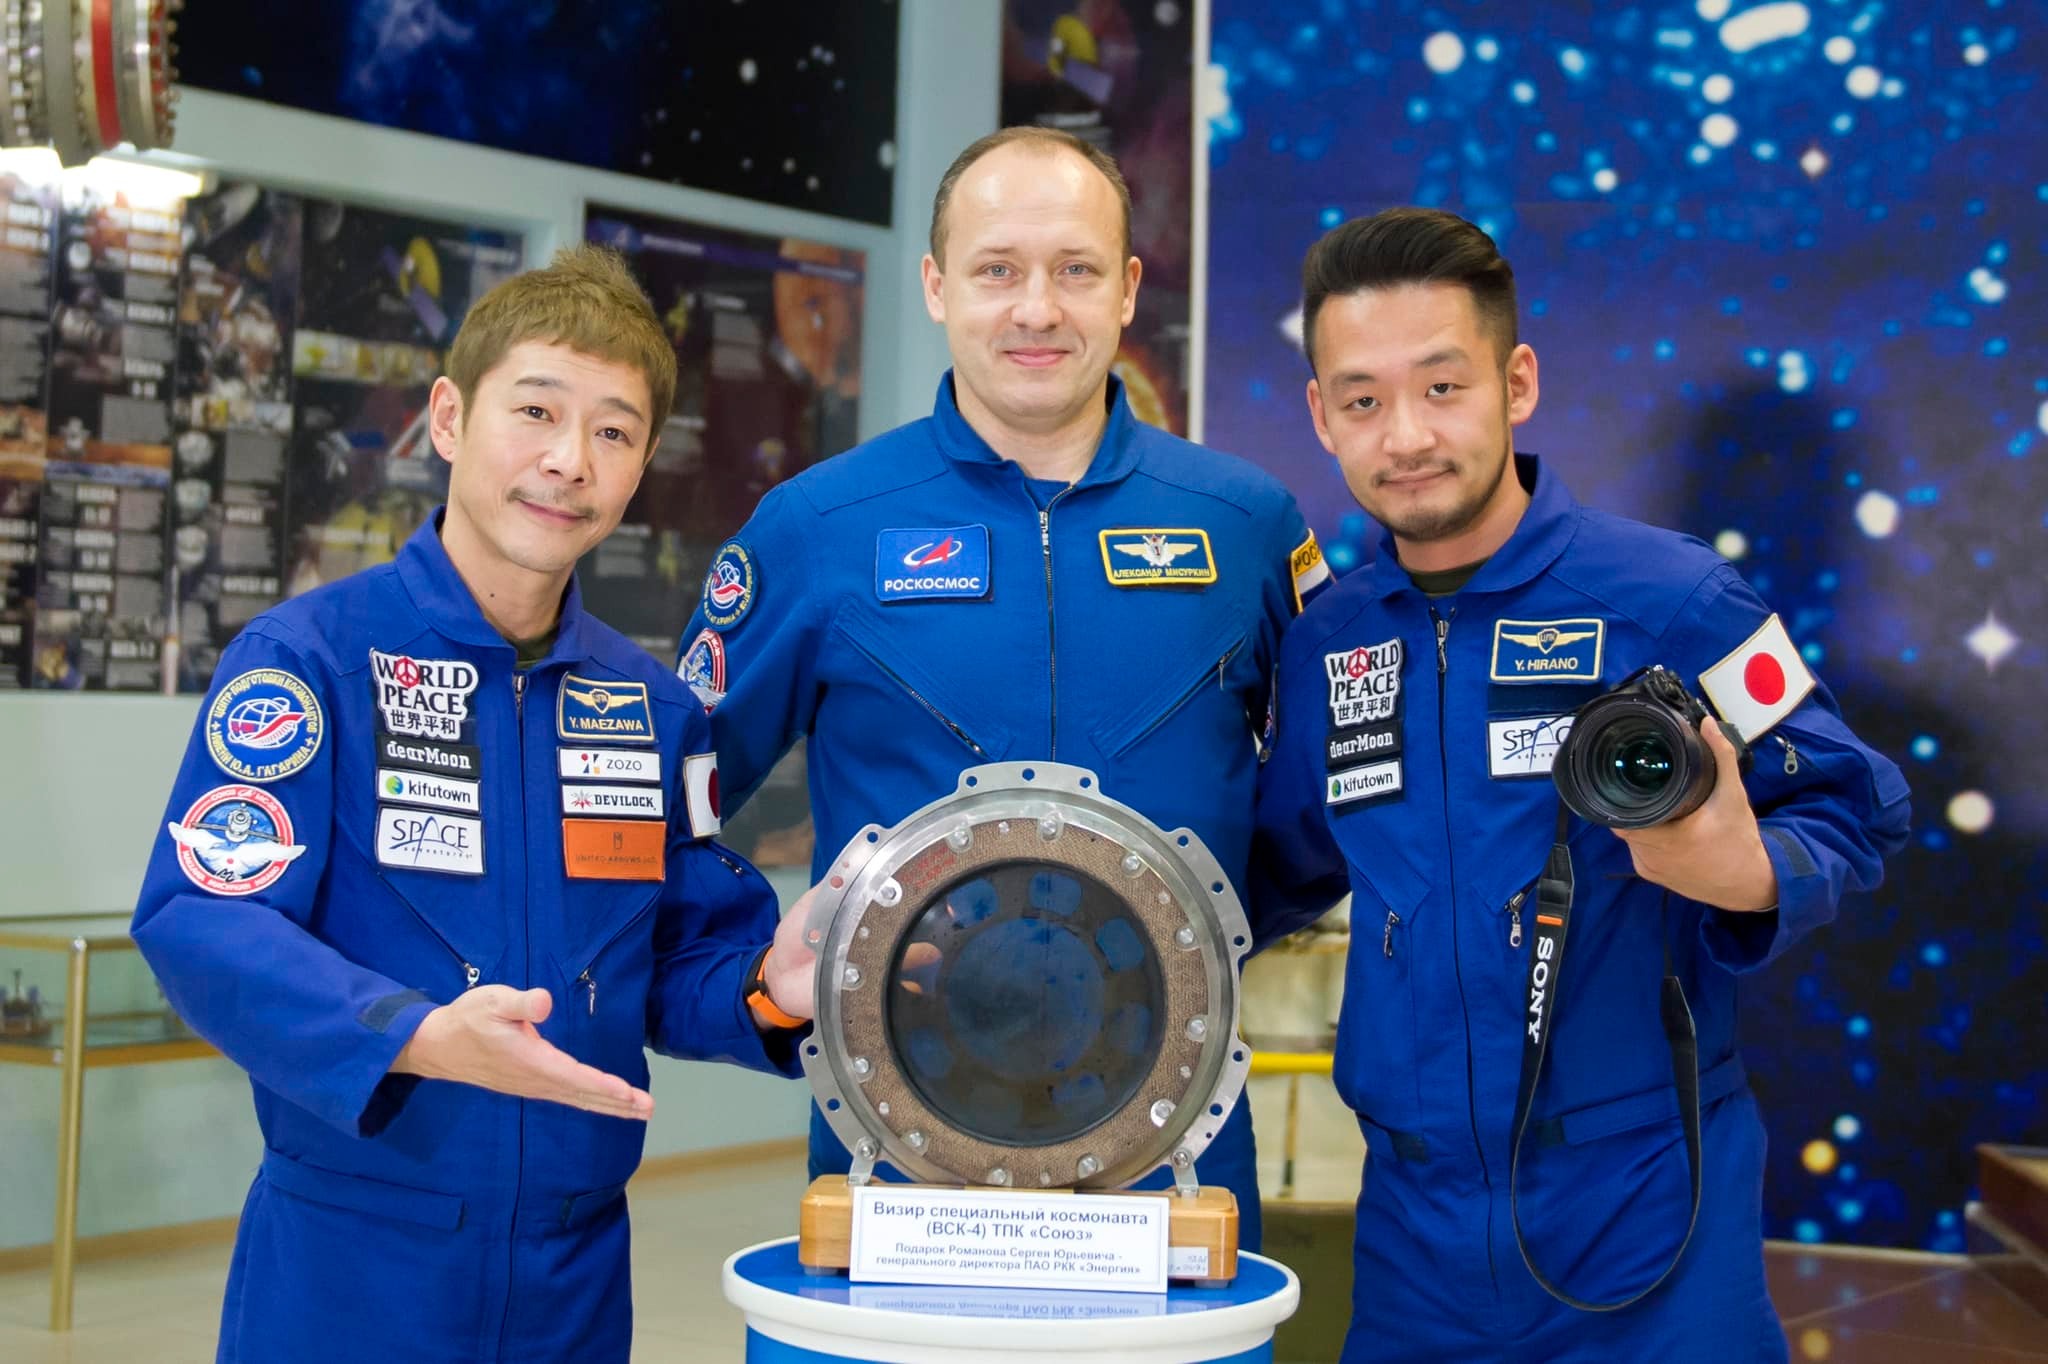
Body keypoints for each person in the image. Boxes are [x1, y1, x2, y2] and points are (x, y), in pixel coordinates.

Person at [132, 245, 819, 1364]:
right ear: (448, 417)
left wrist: (771, 988)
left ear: (642, 462)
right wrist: (412, 1033)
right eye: (536, 410)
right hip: (352, 1261)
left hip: (574, 1274)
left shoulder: (649, 707)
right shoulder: (307, 664)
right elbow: (204, 920)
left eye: (613, 430)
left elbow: (682, 955)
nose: (568, 461)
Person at [1251, 207, 1911, 1361]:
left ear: (1515, 382)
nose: (1403, 433)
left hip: (1645, 1210)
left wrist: (1744, 868)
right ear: (1320, 416)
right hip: (1415, 1234)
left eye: (1442, 387)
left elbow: (1853, 802)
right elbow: (1268, 870)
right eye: (1361, 399)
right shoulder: (1327, 642)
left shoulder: (1670, 598)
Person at [675, 127, 1330, 1249]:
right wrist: (755, 978)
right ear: (936, 286)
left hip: (1174, 1160)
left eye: (1075, 269)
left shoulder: (1245, 523)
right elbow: (662, 798)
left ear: (1127, 290)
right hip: (899, 1162)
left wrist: (1177, 932)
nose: (1037, 308)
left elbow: (1327, 796)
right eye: (996, 269)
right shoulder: (818, 528)